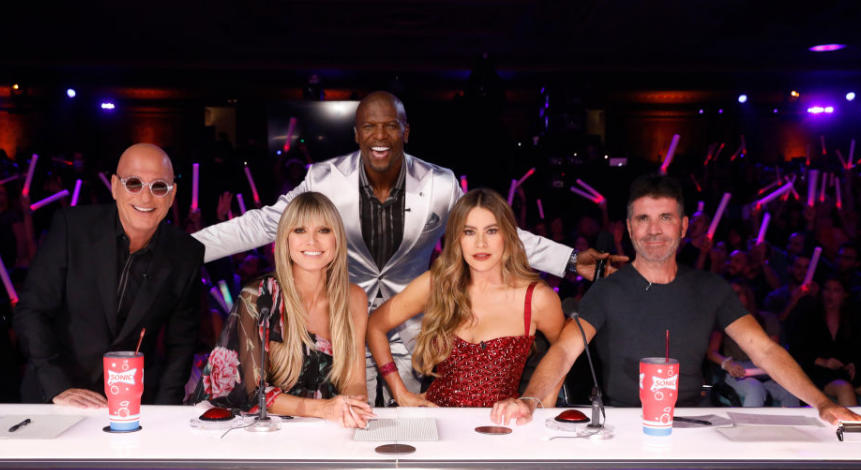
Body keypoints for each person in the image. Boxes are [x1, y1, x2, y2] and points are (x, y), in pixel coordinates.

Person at [193, 91, 618, 402]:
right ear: (357, 133)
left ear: (405, 131)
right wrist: (185, 249)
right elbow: (267, 223)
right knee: (353, 427)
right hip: (344, 322)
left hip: (412, 328)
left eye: (390, 125)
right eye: (370, 126)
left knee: (411, 430)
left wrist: (567, 259)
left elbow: (494, 229)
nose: (381, 135)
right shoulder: (324, 179)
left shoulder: (439, 183)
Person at [491, 174, 861, 426]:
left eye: (665, 218)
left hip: (695, 427)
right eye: (643, 219)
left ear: (684, 226)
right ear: (629, 228)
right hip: (623, 428)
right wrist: (530, 402)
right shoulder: (607, 289)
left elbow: (764, 350)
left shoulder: (711, 288)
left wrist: (824, 404)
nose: (654, 229)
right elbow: (563, 353)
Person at [14, 143, 205, 407]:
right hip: (56, 396)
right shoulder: (73, 228)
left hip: (132, 404)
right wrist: (58, 387)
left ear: (172, 195)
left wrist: (164, 413)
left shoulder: (186, 253)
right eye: (134, 184)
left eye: (159, 186)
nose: (146, 198)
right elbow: (32, 311)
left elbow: (181, 347)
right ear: (115, 186)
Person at [367, 188, 563, 407]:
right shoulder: (436, 284)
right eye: (469, 232)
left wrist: (543, 404)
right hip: (438, 424)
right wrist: (400, 392)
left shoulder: (536, 299)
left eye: (491, 231)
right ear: (457, 238)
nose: (481, 243)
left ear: (507, 235)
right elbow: (375, 325)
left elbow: (564, 352)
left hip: (501, 431)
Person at [192, 192, 373, 428]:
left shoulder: (354, 298)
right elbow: (249, 391)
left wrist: (353, 407)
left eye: (324, 230)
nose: (312, 241)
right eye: (300, 230)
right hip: (259, 432)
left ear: (337, 239)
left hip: (327, 429)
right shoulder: (258, 297)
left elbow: (354, 381)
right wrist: (324, 409)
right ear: (284, 239)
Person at [788, 276, 861, 407]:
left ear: (844, 294)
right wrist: (823, 362)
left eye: (836, 290)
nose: (830, 294)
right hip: (818, 371)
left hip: (842, 371)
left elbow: (860, 349)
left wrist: (853, 364)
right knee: (844, 388)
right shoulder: (809, 315)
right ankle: (853, 428)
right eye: (827, 289)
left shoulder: (851, 318)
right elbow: (796, 349)